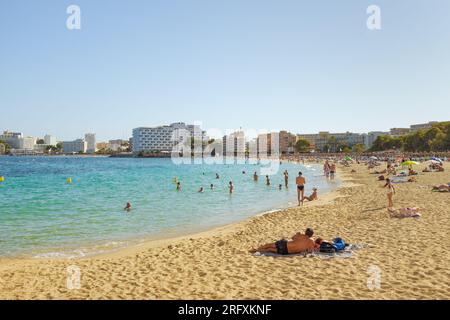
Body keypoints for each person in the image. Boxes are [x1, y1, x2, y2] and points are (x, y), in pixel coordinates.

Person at [249, 228, 317, 255]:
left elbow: (292, 238)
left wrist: (297, 234)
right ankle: (259, 251)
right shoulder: (311, 242)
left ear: (305, 232)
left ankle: (256, 249)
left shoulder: (301, 235)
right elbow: (311, 250)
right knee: (270, 249)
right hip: (286, 252)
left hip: (284, 245)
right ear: (311, 235)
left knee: (269, 245)